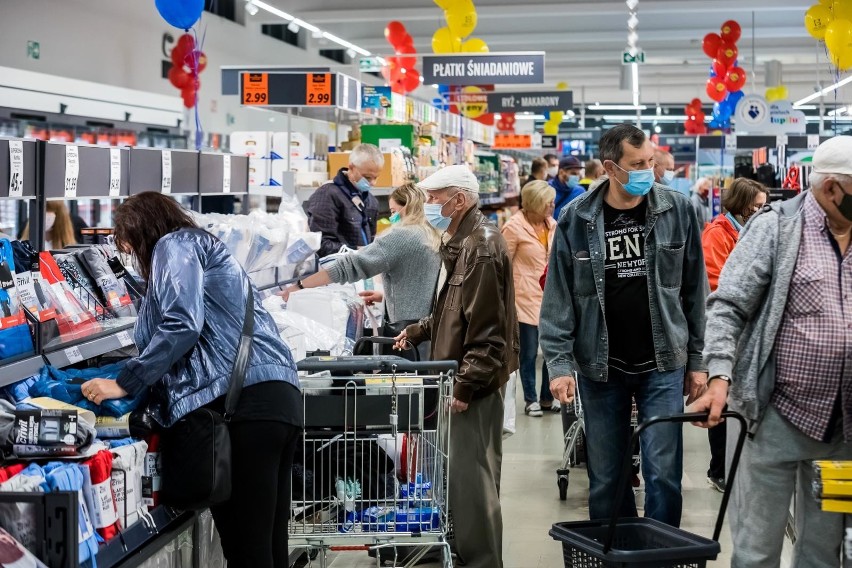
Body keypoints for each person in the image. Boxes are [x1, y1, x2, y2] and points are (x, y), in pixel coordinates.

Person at [81, 192, 302, 568]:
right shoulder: (207, 248)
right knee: (268, 548)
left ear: (142, 229)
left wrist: (127, 382)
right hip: (276, 398)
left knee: (248, 552)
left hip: (242, 409)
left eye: (130, 244)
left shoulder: (174, 244)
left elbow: (182, 321)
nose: (132, 255)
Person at [691, 136, 852, 567]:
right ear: (832, 188)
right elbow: (727, 306)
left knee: (823, 553)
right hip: (774, 414)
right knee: (757, 550)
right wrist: (720, 376)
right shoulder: (776, 227)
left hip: (842, 426)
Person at [540, 124, 708, 527]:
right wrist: (559, 365)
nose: (648, 171)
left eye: (650, 162)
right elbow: (559, 299)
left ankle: (662, 554)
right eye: (637, 164)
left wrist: (699, 360)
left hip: (663, 362)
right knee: (607, 476)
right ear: (610, 168)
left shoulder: (678, 209)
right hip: (601, 367)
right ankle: (618, 552)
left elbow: (694, 292)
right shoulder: (576, 217)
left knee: (664, 474)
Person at [395, 165, 518, 568]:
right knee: (464, 478)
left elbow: (487, 329)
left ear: (458, 200)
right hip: (463, 374)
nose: (428, 206)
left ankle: (482, 561)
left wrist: (465, 386)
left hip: (473, 382)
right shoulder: (462, 242)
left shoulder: (480, 246)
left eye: (434, 199)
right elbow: (455, 310)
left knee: (473, 480)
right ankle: (467, 552)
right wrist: (418, 330)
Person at [281, 183, 440, 358]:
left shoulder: (402, 237)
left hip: (406, 334)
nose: (392, 216)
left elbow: (349, 266)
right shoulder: (431, 234)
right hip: (430, 331)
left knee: (404, 380)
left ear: (407, 207)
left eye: (394, 211)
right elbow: (420, 280)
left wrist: (301, 286)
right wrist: (385, 298)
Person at [700, 178, 768, 494]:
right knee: (722, 400)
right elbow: (717, 284)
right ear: (740, 205)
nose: (759, 211)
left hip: (750, 332)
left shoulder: (752, 233)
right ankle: (719, 469)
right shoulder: (717, 234)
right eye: (755, 206)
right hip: (727, 331)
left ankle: (735, 466)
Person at [501, 180, 557, 417]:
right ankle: (531, 399)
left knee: (552, 351)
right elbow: (502, 265)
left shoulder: (552, 225)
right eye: (548, 202)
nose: (553, 206)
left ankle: (547, 397)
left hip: (550, 298)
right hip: (523, 299)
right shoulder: (513, 227)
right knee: (529, 352)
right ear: (535, 203)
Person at [307, 143, 382, 258]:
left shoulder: (371, 202)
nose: (373, 183)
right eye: (367, 177)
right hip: (336, 270)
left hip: (361, 270)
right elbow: (320, 243)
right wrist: (355, 252)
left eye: (376, 177)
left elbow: (370, 240)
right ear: (352, 168)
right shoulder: (328, 195)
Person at [550, 156, 585, 220]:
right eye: (573, 173)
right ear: (561, 172)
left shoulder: (580, 192)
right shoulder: (547, 189)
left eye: (578, 174)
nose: (577, 177)